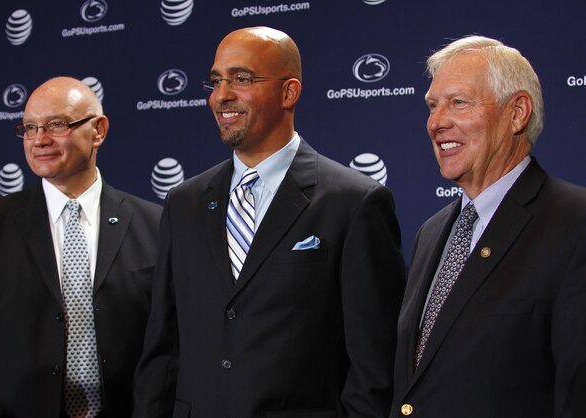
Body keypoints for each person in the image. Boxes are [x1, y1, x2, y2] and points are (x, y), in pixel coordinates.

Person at [132, 26, 406, 417]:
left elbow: (374, 368)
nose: (222, 95)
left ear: (289, 92)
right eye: (216, 81)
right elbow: (162, 347)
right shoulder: (183, 203)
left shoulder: (354, 202)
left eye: (241, 79)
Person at [391, 35, 586, 418]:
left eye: (458, 103)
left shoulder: (576, 224)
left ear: (517, 113)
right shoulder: (431, 233)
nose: (436, 122)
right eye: (432, 105)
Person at [0, 77, 162, 418]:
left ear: (98, 131)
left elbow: (171, 347)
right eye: (30, 127)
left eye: (57, 125)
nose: (39, 140)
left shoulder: (155, 225)